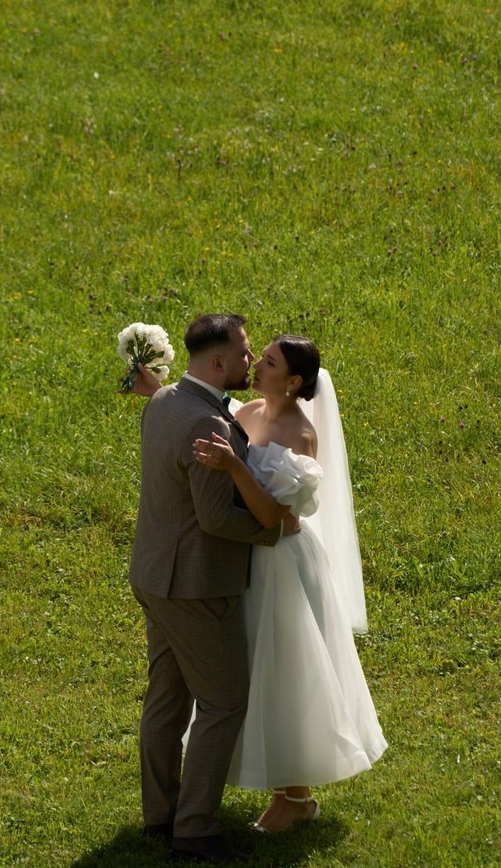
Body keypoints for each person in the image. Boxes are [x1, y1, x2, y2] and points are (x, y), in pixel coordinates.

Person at [191, 335, 387, 832]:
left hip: (280, 564)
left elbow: (274, 515)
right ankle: (278, 783)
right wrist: (155, 389)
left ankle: (296, 796)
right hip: (247, 559)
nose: (257, 364)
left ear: (294, 382)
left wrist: (234, 466)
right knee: (250, 663)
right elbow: (214, 413)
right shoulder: (251, 408)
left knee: (286, 668)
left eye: (270, 362)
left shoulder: (300, 436)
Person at [128, 313, 298, 864]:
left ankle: (160, 814)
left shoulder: (165, 401)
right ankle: (194, 828)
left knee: (166, 699)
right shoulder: (210, 426)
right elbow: (216, 519)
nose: (251, 361)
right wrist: (272, 529)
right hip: (196, 586)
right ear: (219, 361)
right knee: (223, 702)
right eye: (246, 353)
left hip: (154, 573)